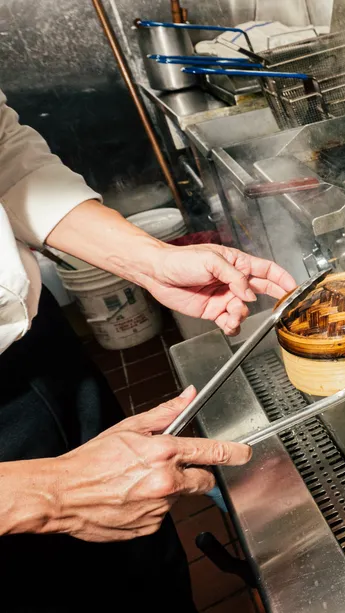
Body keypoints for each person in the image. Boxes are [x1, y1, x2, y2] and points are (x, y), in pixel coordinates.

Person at [0, 87, 297, 611]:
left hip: (35, 346)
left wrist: (147, 261)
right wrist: (47, 492)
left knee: (140, 556)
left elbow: (4, 152)